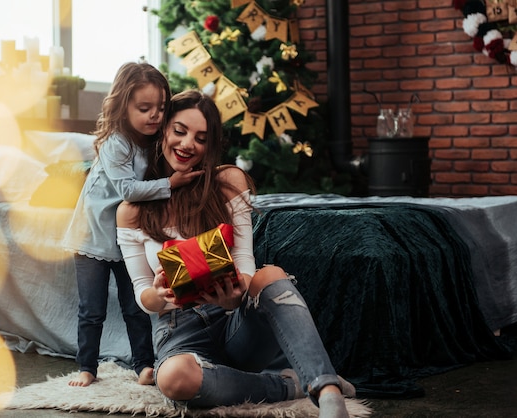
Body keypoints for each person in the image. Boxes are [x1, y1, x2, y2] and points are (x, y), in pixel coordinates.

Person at [116, 90, 356, 417]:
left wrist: (232, 298)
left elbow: (245, 264)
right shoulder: (131, 211)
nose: (188, 144)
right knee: (173, 379)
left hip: (234, 323)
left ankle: (328, 392)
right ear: (162, 130)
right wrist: (158, 295)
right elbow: (142, 291)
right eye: (180, 131)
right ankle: (289, 386)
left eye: (201, 138)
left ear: (211, 145)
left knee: (271, 274)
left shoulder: (229, 181)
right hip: (178, 331)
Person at [63, 63, 203, 387]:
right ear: (123, 107)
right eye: (144, 108)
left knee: (136, 305)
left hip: (126, 238)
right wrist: (172, 183)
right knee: (92, 310)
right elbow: (127, 189)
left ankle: (145, 364)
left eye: (161, 108)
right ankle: (87, 367)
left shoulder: (154, 141)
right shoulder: (117, 142)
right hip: (92, 239)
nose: (155, 115)